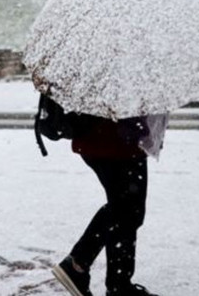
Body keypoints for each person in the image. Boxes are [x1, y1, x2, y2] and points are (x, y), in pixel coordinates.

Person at [52, 113, 169, 296]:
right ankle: (87, 269)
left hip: (104, 137)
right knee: (127, 210)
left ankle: (96, 273)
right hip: (115, 140)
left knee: (125, 209)